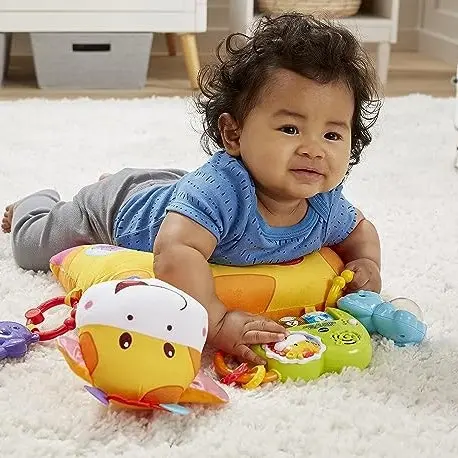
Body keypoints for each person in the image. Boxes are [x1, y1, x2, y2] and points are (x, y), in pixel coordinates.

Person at [2, 13, 382, 365]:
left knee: (186, 190)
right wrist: (216, 323)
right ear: (233, 133)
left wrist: (366, 263)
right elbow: (176, 253)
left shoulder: (325, 203)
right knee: (33, 246)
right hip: (118, 210)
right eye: (290, 129)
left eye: (332, 134)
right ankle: (33, 204)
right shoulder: (221, 194)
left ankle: (146, 180)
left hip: (179, 187)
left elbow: (360, 232)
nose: (314, 149)